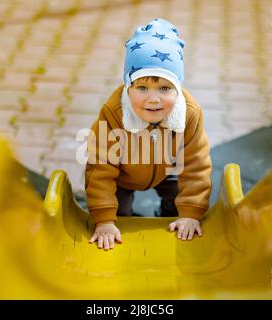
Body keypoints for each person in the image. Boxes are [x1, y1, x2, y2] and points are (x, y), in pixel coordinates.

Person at [85, 18, 212, 250]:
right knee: (119, 215)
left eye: (164, 88)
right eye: (142, 88)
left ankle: (166, 213)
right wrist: (103, 219)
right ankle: (121, 218)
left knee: (177, 205)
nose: (153, 99)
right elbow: (100, 167)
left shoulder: (189, 113)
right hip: (122, 174)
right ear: (128, 87)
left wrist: (192, 212)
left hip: (169, 169)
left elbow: (196, 164)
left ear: (177, 88)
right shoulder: (113, 113)